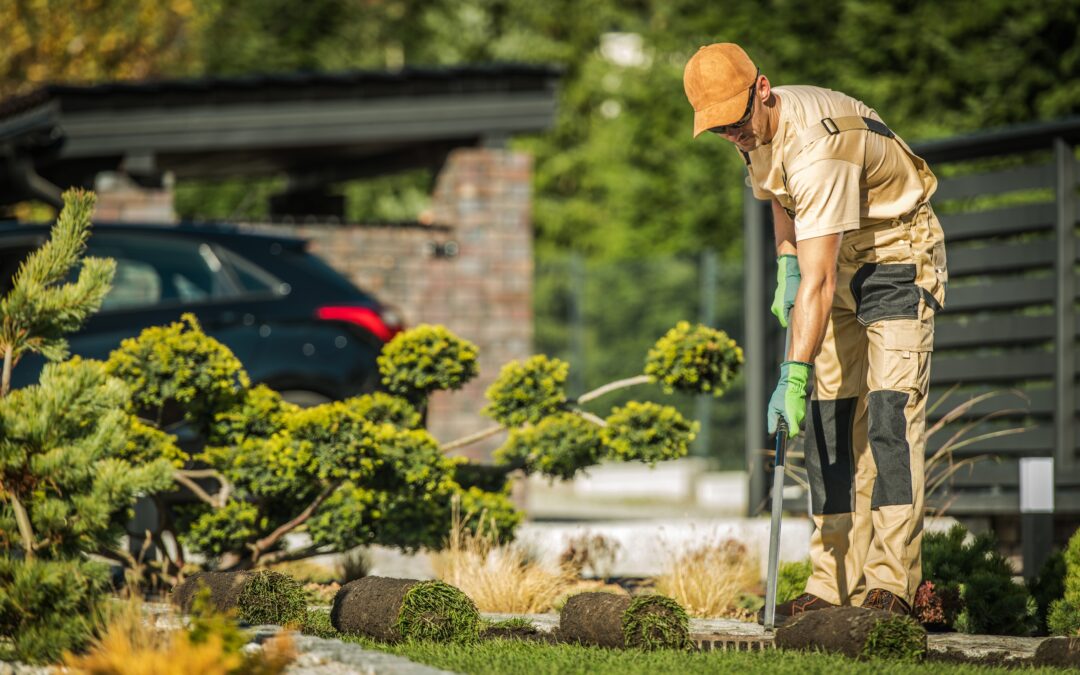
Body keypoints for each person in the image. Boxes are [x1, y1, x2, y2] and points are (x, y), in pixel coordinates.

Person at [684, 43, 947, 624]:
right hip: (836, 257)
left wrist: (793, 372)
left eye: (737, 121)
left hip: (896, 256)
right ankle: (831, 584)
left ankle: (891, 584)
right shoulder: (754, 133)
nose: (734, 136)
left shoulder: (818, 148)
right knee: (829, 423)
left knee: (888, 417)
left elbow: (822, 280)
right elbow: (781, 198)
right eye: (720, 129)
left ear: (763, 90)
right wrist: (786, 265)